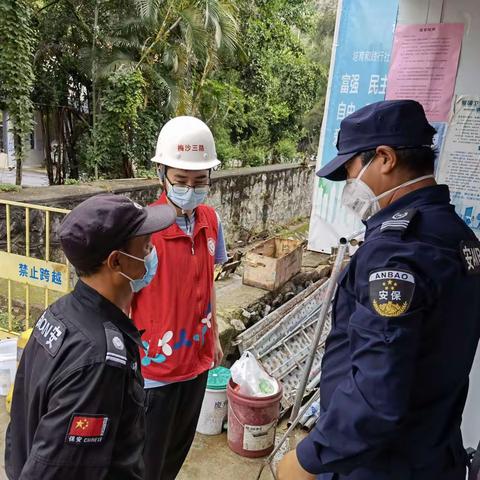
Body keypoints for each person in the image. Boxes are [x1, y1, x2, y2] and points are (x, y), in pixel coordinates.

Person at [278, 100, 480, 480]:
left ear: (384, 158)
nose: (350, 187)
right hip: (433, 454)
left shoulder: (396, 253)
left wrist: (309, 459)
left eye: (352, 171)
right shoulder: (458, 236)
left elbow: (375, 395)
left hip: (379, 464)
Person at [5, 194, 176, 480]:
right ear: (117, 261)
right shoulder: (99, 360)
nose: (153, 253)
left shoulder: (59, 313)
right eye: (146, 247)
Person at [130, 116, 228, 480]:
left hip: (198, 360)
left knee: (176, 452)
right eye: (181, 181)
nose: (191, 188)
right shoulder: (143, 228)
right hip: (155, 369)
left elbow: (210, 282)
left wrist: (214, 334)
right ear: (161, 174)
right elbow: (125, 298)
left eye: (199, 181)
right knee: (146, 462)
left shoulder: (211, 221)